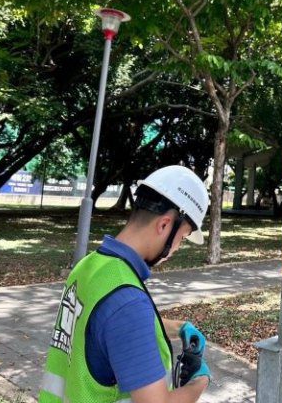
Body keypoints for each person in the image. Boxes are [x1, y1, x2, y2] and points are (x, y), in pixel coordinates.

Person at [39, 165, 211, 403]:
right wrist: (199, 382)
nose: (177, 248)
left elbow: (104, 328)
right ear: (164, 225)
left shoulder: (90, 265)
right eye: (182, 238)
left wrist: (178, 327)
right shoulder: (127, 302)